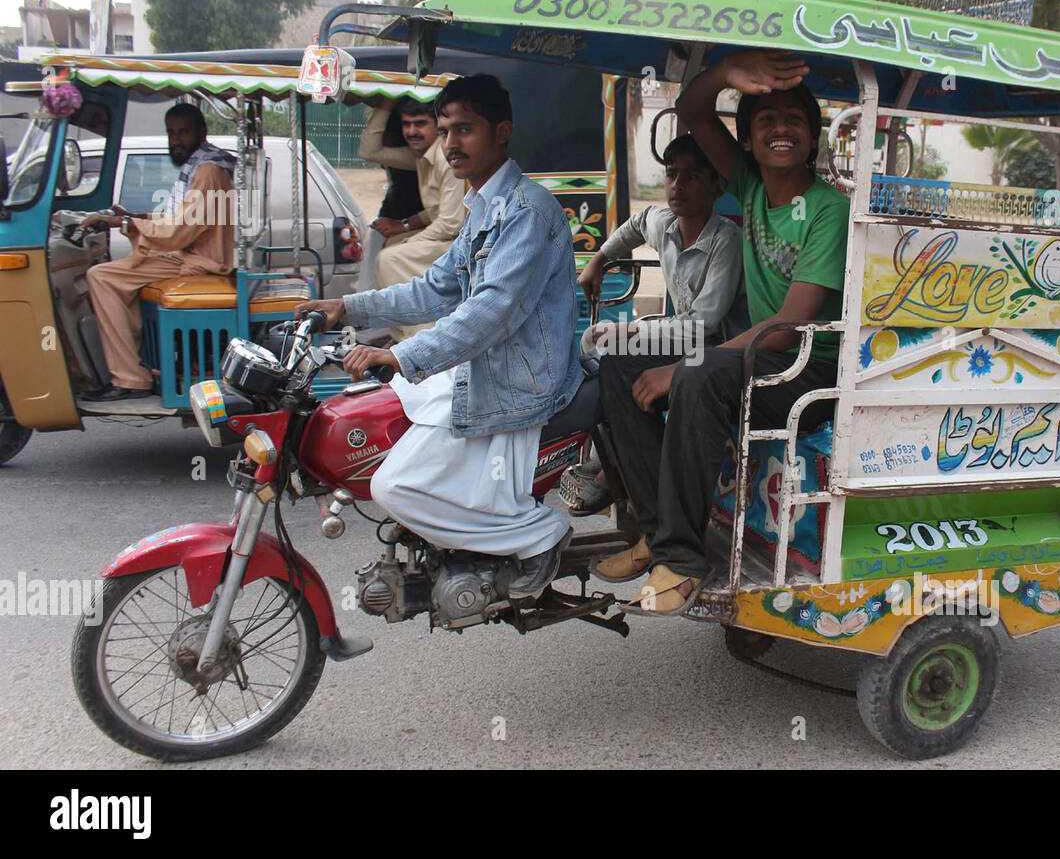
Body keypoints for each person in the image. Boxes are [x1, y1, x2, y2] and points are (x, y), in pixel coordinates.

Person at [296, 74, 581, 599]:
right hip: (483, 367)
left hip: (522, 380)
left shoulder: (527, 211)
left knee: (393, 485)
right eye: (445, 130)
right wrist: (348, 306)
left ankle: (538, 535)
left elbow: (490, 313)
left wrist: (400, 353)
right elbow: (437, 287)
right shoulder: (484, 206)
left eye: (465, 130)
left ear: (502, 132)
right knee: (377, 423)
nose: (450, 143)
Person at [594, 50, 848, 613]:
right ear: (750, 141)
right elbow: (691, 106)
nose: (780, 129)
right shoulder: (751, 186)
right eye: (766, 120)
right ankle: (659, 534)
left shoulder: (829, 208)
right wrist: (729, 76)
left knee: (698, 373)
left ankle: (684, 562)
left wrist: (682, 366)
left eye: (794, 121)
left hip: (810, 370)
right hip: (761, 359)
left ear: (813, 139)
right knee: (619, 360)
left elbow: (786, 326)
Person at [563, 134, 748, 515]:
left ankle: (614, 475)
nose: (678, 185)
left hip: (717, 348)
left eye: (692, 176)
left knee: (613, 350)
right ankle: (614, 464)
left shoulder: (725, 241)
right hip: (680, 336)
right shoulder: (663, 222)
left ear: (715, 187)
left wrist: (636, 330)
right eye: (672, 174)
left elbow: (703, 323)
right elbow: (633, 225)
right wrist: (598, 261)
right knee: (597, 350)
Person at [81, 103, 236, 401]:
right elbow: (179, 221)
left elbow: (178, 232)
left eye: (183, 132)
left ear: (201, 133)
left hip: (201, 262)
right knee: (118, 273)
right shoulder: (198, 165)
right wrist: (135, 218)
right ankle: (145, 364)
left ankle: (130, 378)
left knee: (101, 276)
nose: (176, 140)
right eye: (171, 133)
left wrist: (125, 222)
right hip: (188, 255)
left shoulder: (208, 171)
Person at [358, 96, 466, 340]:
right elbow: (369, 150)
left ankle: (420, 337)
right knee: (391, 247)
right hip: (448, 237)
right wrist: (386, 104)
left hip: (465, 243)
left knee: (392, 258)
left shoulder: (446, 157)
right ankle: (400, 333)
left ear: (437, 126)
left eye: (419, 124)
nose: (411, 131)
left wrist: (408, 240)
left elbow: (451, 223)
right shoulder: (422, 156)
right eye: (407, 124)